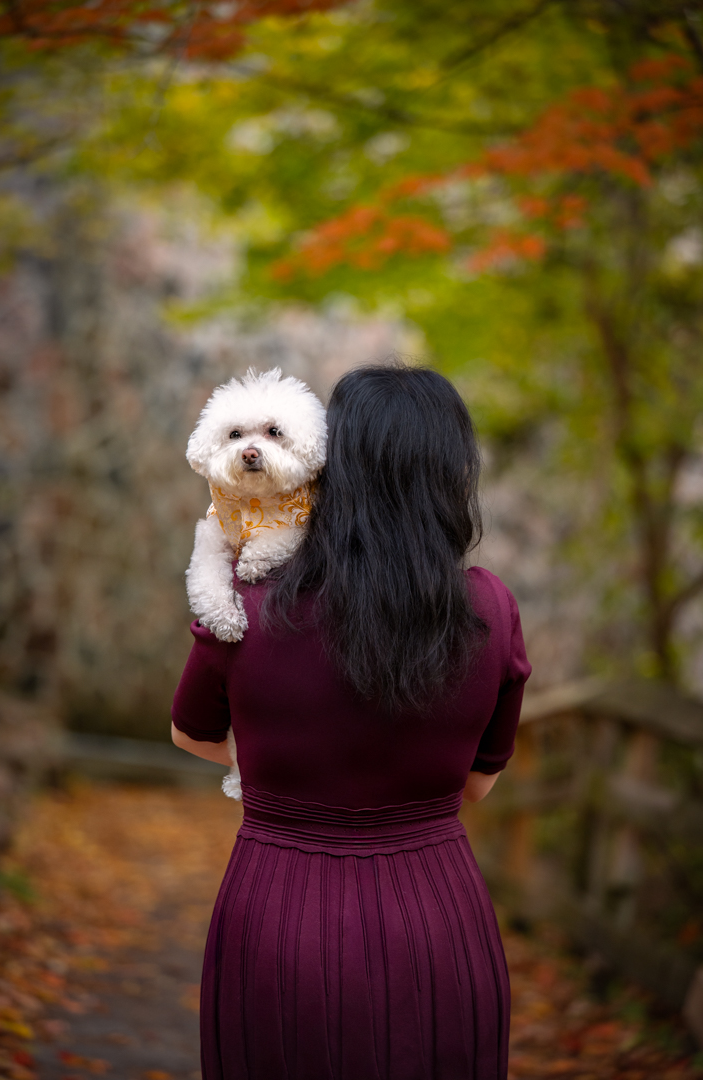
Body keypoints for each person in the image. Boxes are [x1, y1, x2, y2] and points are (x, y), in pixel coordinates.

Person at [171, 364, 531, 1080]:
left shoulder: (251, 599)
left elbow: (190, 733)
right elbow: (477, 786)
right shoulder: (488, 607)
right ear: (452, 474)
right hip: (437, 924)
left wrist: (272, 765)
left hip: (275, 915)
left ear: (333, 465)